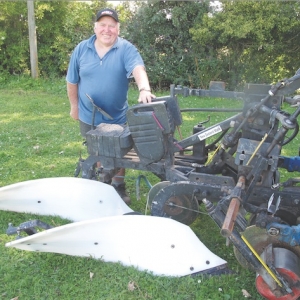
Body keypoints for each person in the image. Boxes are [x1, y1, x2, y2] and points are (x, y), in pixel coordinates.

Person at [66, 8, 155, 204]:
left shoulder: (126, 49)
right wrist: (74, 106)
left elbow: (137, 68)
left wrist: (144, 89)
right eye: (103, 25)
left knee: (119, 151)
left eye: (112, 26)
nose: (107, 30)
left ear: (118, 28)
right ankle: (103, 186)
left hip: (116, 115)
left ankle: (118, 185)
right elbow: (72, 81)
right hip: (88, 115)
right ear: (95, 27)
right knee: (97, 151)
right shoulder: (81, 49)